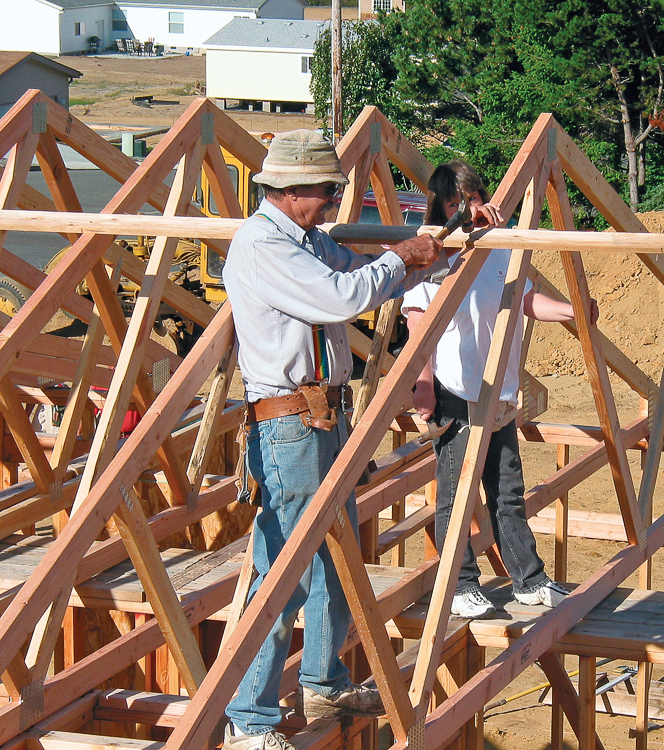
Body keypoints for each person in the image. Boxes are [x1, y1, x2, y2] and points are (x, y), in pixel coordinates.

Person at [221, 130, 458, 750]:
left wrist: (450, 240)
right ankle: (249, 720)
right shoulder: (265, 246)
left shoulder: (308, 241)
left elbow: (370, 276)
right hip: (290, 423)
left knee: (335, 555)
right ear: (293, 189)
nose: (335, 201)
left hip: (325, 417)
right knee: (285, 569)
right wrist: (403, 255)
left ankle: (323, 680)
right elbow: (342, 295)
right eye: (328, 191)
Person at [402, 160, 598, 619]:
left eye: (470, 200)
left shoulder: (502, 251)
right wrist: (424, 383)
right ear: (439, 208)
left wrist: (571, 311)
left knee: (507, 490)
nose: (466, 211)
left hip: (498, 392)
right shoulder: (435, 255)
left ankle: (528, 581)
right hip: (455, 389)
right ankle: (459, 584)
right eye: (454, 204)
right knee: (458, 493)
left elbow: (524, 299)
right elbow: (418, 323)